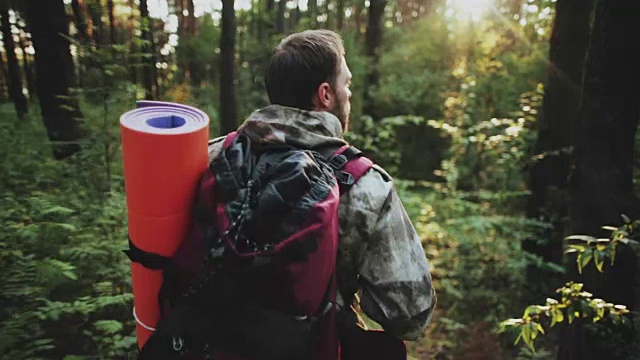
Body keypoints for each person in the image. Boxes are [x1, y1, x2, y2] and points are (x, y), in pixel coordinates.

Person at [206, 29, 436, 347]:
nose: (350, 93)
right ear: (325, 95)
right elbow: (411, 315)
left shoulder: (213, 154)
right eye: (347, 83)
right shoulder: (365, 185)